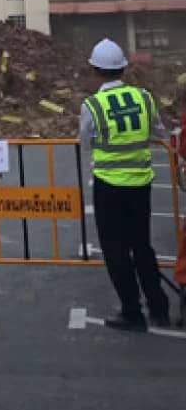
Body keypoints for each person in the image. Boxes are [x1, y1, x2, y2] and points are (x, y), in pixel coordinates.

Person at [78, 38, 171, 331]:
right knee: (142, 246)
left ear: (95, 70)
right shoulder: (144, 98)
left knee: (116, 251)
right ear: (123, 69)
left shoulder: (92, 105)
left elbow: (85, 143)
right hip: (141, 184)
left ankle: (132, 311)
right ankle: (159, 307)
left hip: (109, 187)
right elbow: (159, 130)